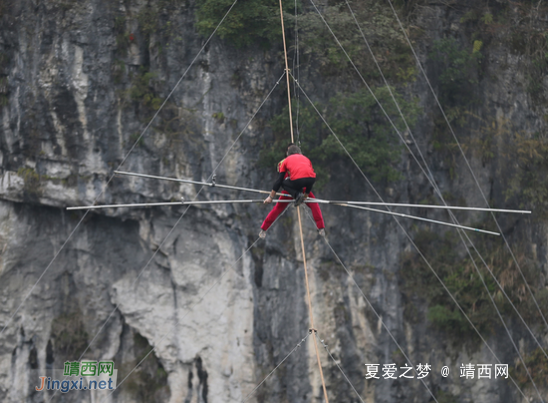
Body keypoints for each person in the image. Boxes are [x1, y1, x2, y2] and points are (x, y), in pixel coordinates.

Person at [260, 144, 325, 238]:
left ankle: (321, 227)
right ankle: (264, 228)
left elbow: (280, 180)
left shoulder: (285, 162)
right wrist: (304, 195)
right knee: (279, 208)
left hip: (294, 188)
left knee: (313, 204)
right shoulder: (303, 159)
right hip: (298, 188)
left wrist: (271, 197)